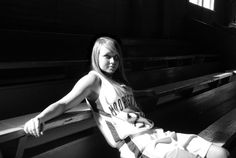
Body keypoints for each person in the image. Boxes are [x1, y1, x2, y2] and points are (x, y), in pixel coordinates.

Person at [24, 36, 229, 158]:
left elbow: (121, 101)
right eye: (107, 56)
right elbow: (64, 103)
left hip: (157, 133)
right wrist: (40, 118)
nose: (113, 61)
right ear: (96, 57)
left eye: (116, 57)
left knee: (221, 154)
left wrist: (142, 93)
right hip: (137, 144)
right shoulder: (93, 80)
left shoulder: (120, 82)